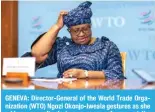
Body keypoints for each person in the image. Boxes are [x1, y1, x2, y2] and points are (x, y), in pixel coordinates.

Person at [22, 1, 124, 79]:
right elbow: (37, 54)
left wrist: (85, 74)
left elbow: (116, 73)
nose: (81, 34)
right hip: (65, 95)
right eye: (76, 31)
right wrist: (57, 26)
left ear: (90, 26)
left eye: (85, 29)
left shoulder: (107, 46)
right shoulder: (63, 46)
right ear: (69, 31)